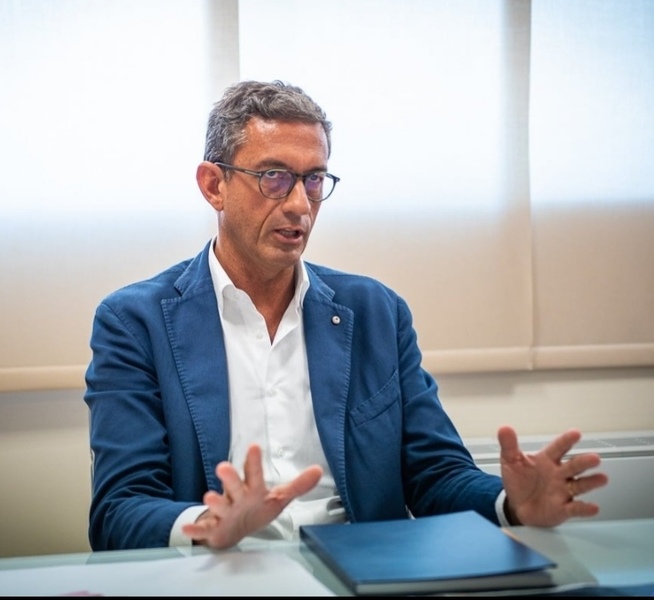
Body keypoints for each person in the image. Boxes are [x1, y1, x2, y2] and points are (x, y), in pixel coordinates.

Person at [84, 79, 609, 551]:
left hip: (362, 571)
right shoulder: (136, 322)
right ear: (213, 185)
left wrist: (511, 505)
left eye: (314, 180)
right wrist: (207, 524)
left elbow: (434, 473)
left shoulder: (375, 312)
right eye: (273, 177)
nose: (299, 204)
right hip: (220, 572)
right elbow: (119, 509)